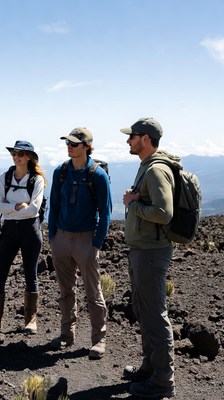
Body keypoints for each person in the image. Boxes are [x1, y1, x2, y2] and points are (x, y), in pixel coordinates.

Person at [121, 117, 177, 398]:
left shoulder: (155, 171)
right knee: (143, 311)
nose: (128, 141)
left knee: (155, 314)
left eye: (132, 136)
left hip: (152, 253)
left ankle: (163, 382)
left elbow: (163, 214)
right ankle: (149, 368)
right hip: (143, 250)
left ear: (145, 138)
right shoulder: (146, 167)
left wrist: (134, 203)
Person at [48, 127, 112, 359]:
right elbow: (54, 205)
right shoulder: (61, 171)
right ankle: (67, 334)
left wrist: (96, 243)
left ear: (86, 146)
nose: (69, 146)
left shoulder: (97, 175)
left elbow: (105, 212)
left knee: (93, 292)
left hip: (86, 239)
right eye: (68, 142)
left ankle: (99, 340)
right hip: (62, 238)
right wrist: (52, 237)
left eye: (74, 143)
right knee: (66, 291)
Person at [0, 140, 45, 334]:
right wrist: (18, 207)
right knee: (0, 272)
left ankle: (31, 320)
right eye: (14, 153)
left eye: (20, 153)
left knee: (30, 274)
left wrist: (9, 208)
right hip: (10, 230)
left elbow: (34, 209)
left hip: (30, 230)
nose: (16, 156)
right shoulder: (5, 177)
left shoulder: (37, 180)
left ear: (29, 157)